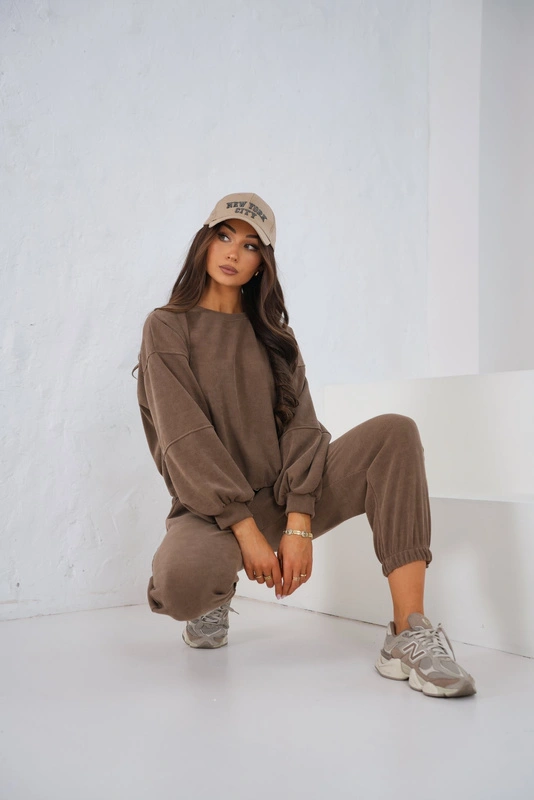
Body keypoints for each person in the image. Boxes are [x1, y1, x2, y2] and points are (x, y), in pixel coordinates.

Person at [132, 191, 476, 699]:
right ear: (204, 242)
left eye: (251, 245)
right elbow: (184, 436)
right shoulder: (167, 326)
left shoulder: (276, 337)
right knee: (181, 586)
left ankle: (409, 631)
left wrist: (298, 520)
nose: (233, 252)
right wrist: (244, 527)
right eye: (224, 236)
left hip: (284, 493)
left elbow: (303, 429)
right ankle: (213, 600)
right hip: (212, 511)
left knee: (395, 432)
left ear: (262, 264)